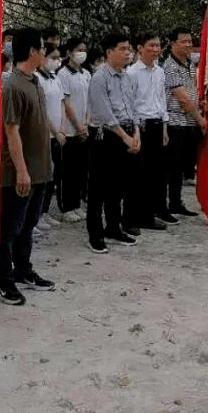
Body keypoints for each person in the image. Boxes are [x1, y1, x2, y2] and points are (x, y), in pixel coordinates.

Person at [0, 27, 56, 305]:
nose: (46, 53)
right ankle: (4, 280)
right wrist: (21, 170)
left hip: (39, 170)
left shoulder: (35, 82)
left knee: (28, 225)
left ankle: (23, 269)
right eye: (43, 48)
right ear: (32, 51)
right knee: (10, 229)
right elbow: (11, 131)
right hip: (18, 173)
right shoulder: (12, 86)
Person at [86, 33, 142, 252]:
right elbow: (105, 113)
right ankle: (95, 234)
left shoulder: (127, 77)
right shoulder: (99, 78)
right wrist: (125, 136)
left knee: (118, 187)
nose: (127, 53)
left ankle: (113, 227)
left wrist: (136, 132)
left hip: (127, 133)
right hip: (106, 137)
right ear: (109, 52)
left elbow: (132, 106)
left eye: (128, 49)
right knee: (99, 187)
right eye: (122, 49)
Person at [127, 32, 173, 229]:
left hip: (157, 125)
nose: (155, 49)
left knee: (155, 174)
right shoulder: (132, 73)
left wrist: (164, 127)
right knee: (138, 175)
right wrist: (135, 130)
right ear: (139, 48)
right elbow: (131, 104)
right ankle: (131, 217)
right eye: (151, 46)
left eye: (158, 46)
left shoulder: (159, 72)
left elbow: (161, 100)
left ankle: (148, 215)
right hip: (140, 127)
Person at [163, 27, 204, 217]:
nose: (188, 45)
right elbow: (183, 100)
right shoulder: (170, 66)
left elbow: (192, 95)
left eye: (190, 41)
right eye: (183, 42)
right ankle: (168, 204)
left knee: (181, 166)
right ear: (173, 43)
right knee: (172, 166)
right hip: (176, 121)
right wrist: (201, 120)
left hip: (188, 123)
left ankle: (177, 202)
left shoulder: (189, 64)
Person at [57, 38, 91, 223]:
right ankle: (67, 206)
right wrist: (77, 126)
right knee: (69, 171)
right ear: (70, 52)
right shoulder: (63, 74)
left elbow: (89, 101)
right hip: (70, 129)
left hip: (84, 128)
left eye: (84, 50)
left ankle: (78, 203)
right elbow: (67, 104)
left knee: (81, 170)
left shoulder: (86, 73)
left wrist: (86, 123)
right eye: (79, 49)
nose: (82, 53)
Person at [35, 42, 66, 229]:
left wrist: (61, 129)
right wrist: (54, 130)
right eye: (53, 57)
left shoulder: (55, 78)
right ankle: (36, 215)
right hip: (44, 133)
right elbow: (42, 110)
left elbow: (61, 102)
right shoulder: (37, 78)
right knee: (42, 176)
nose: (57, 61)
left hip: (57, 134)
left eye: (58, 58)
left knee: (52, 175)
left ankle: (45, 212)